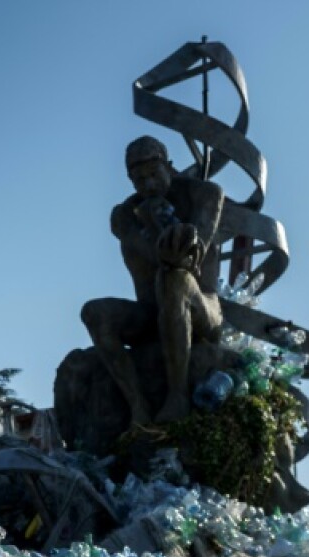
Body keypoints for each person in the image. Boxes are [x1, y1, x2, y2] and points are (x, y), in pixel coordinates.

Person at [81, 136, 225, 425]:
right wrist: (148, 222)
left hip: (202, 308)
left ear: (169, 167)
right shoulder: (124, 215)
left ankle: (178, 396)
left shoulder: (205, 194)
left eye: (153, 175)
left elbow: (189, 257)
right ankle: (139, 407)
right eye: (139, 180)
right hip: (151, 312)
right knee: (94, 312)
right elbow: (152, 253)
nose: (148, 186)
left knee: (175, 279)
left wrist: (164, 225)